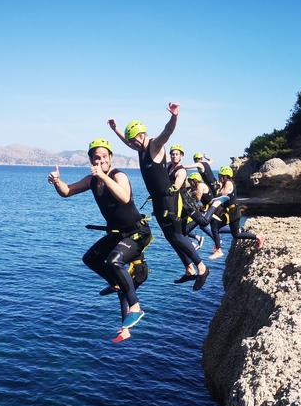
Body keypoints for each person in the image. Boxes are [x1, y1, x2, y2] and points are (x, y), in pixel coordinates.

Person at [47, 138, 152, 343]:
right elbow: (67, 192)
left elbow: (124, 197)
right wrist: (57, 181)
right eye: (97, 157)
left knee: (114, 261)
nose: (101, 160)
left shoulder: (118, 175)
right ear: (91, 160)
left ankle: (136, 307)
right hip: (116, 234)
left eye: (105, 156)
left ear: (111, 158)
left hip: (136, 233)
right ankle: (117, 289)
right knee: (90, 259)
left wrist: (104, 175)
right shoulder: (92, 180)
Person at [108, 103, 210, 291]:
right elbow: (126, 142)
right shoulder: (140, 148)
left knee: (178, 235)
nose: (132, 145)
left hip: (169, 199)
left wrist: (174, 116)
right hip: (157, 201)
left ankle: (202, 268)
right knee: (171, 237)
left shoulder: (154, 145)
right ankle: (189, 269)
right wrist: (116, 129)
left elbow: (168, 131)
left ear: (142, 135)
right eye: (131, 142)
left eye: (134, 141)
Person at [201, 166, 265, 259]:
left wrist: (218, 188)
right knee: (234, 234)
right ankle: (258, 236)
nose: (219, 178)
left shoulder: (228, 183)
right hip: (231, 212)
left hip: (233, 212)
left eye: (220, 176)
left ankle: (218, 249)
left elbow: (223, 195)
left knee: (215, 226)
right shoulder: (227, 183)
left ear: (225, 176)